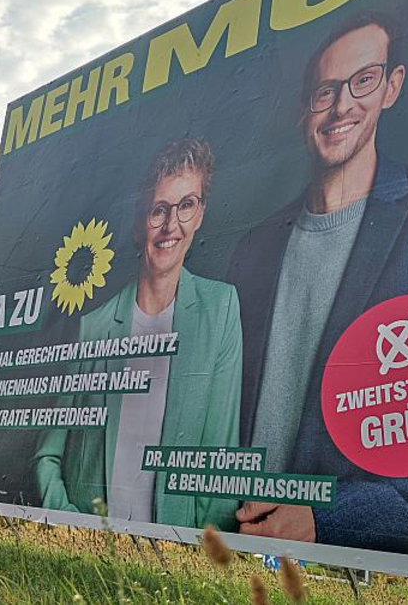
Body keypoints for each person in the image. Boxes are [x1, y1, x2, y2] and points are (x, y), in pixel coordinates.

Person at [226, 13, 408, 560]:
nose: (342, 105)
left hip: (349, 569)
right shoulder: (252, 248)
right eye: (326, 91)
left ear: (392, 86)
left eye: (363, 81)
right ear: (305, 110)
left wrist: (328, 519)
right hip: (228, 546)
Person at [35, 137, 243, 530]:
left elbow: (221, 459)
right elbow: (48, 454)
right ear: (138, 222)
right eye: (158, 210)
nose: (171, 226)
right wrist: (72, 528)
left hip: (174, 557)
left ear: (200, 214)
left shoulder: (221, 309)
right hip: (88, 551)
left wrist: (200, 564)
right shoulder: (92, 326)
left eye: (186, 206)